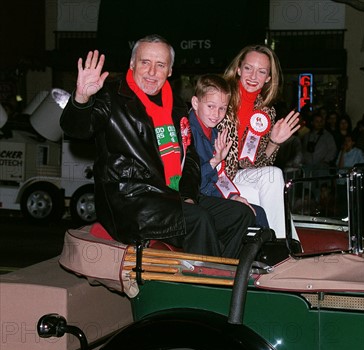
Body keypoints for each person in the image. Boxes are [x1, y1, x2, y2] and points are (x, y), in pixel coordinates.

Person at [60, 35, 255, 259]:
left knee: (240, 215)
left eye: (160, 65)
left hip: (172, 196)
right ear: (132, 64)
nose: (152, 72)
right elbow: (77, 129)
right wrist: (82, 98)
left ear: (170, 71)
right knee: (198, 220)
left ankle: (224, 276)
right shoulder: (111, 96)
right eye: (145, 63)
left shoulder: (176, 106)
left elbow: (190, 158)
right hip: (132, 199)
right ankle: (208, 286)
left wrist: (189, 195)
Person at [218, 44, 300, 238]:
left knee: (273, 174)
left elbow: (254, 165)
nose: (253, 77)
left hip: (236, 176)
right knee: (264, 199)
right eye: (248, 68)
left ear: (269, 78)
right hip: (213, 179)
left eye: (261, 71)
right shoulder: (220, 97)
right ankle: (286, 244)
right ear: (238, 69)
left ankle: (282, 244)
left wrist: (274, 142)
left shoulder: (265, 111)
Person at [188, 74, 269, 228]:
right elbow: (192, 182)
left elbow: (220, 174)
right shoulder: (188, 133)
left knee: (257, 212)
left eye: (222, 108)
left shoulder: (215, 133)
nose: (216, 114)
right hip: (197, 200)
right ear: (195, 103)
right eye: (210, 106)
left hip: (212, 194)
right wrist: (214, 161)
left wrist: (233, 195)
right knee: (248, 214)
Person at [301, 110, 337, 175]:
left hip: (322, 167)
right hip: (308, 167)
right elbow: (303, 149)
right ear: (312, 122)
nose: (319, 124)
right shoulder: (307, 136)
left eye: (321, 121)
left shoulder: (328, 136)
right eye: (317, 121)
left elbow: (332, 150)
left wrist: (326, 161)